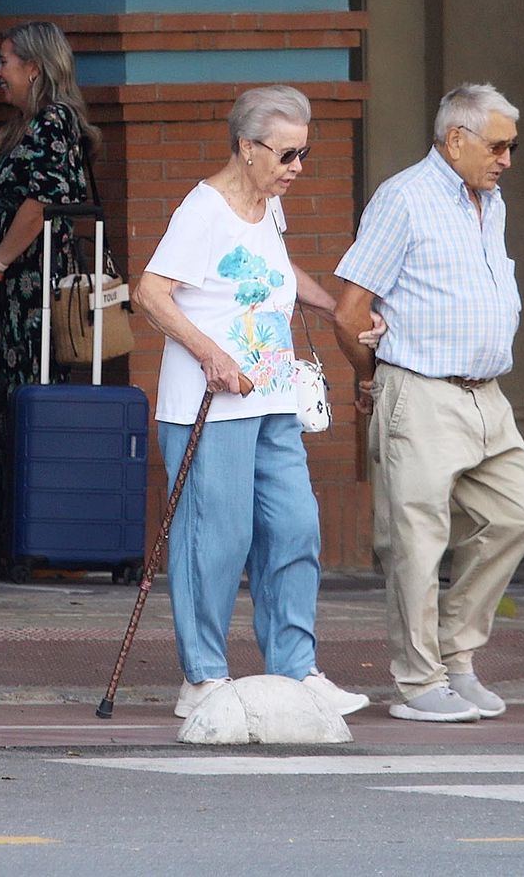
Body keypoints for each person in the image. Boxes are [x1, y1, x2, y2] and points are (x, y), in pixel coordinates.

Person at [133, 84, 375, 722]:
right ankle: (203, 676)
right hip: (210, 405)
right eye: (286, 155)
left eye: (303, 155)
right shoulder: (202, 210)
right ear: (247, 147)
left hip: (272, 396)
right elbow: (150, 292)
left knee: (295, 526)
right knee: (216, 539)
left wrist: (336, 308)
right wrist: (210, 353)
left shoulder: (268, 204)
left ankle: (296, 670)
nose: (297, 168)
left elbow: (277, 271)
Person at [332, 82, 524, 723]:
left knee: (515, 518)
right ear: (455, 139)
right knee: (415, 544)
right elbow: (350, 310)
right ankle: (419, 681)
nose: (506, 159)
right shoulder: (404, 198)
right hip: (420, 390)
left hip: (487, 396)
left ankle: (456, 654)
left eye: (511, 146)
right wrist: (370, 378)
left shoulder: (490, 202)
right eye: (498, 146)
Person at [0, 21, 95, 572]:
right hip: (6, 290)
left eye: (5, 61)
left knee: (31, 400)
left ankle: (36, 533)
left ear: (34, 67)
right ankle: (6, 539)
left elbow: (39, 205)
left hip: (35, 289)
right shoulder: (15, 127)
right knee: (5, 403)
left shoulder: (55, 121)